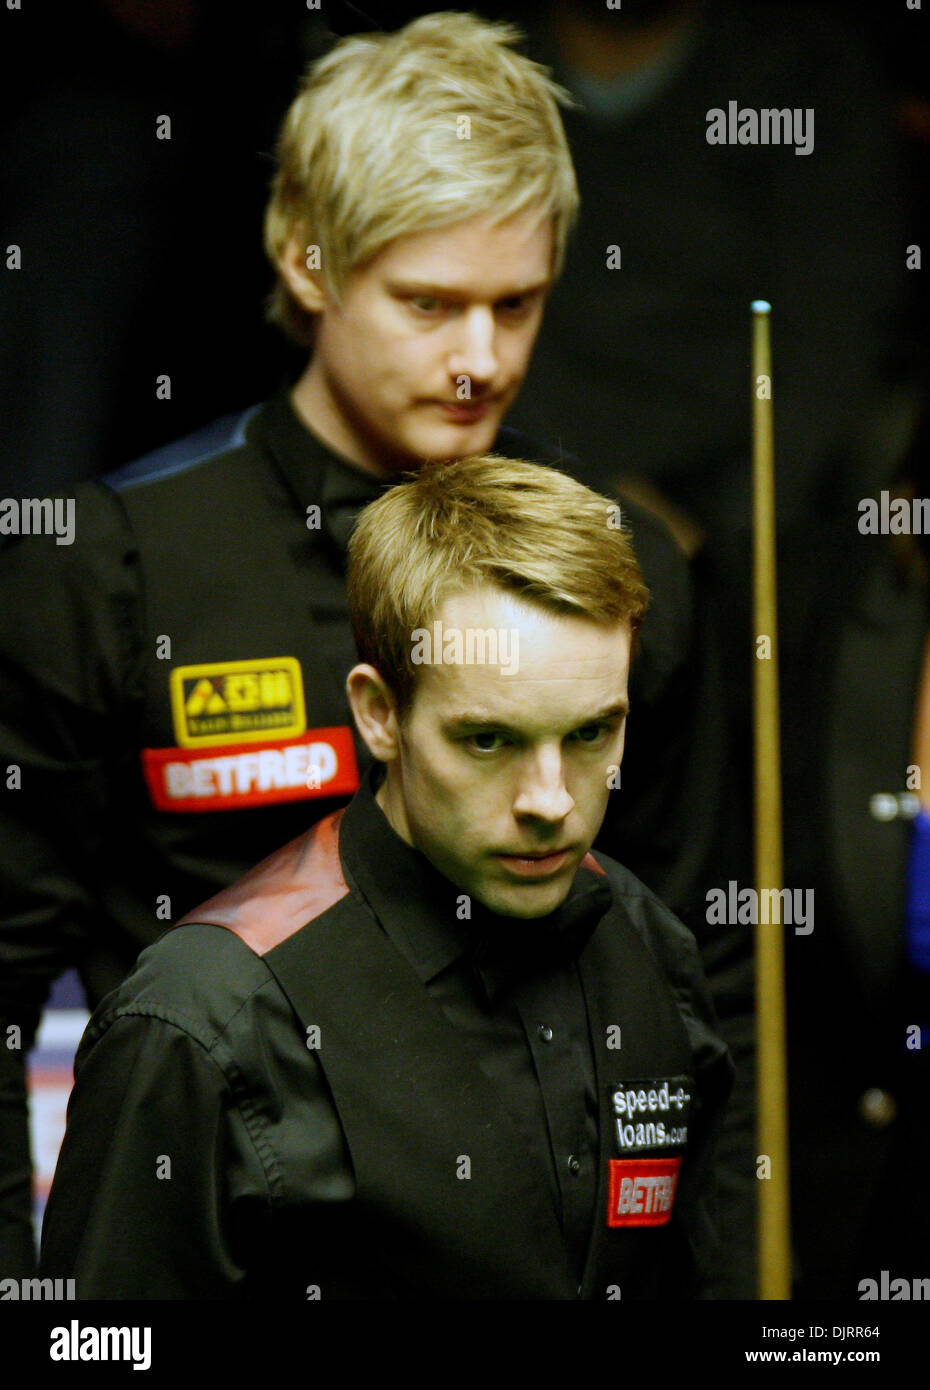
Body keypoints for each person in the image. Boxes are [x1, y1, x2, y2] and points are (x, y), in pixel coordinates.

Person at [0, 12, 720, 1281]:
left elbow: (700, 973)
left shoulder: (621, 574)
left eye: (518, 302)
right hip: (229, 1240)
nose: (479, 361)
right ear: (307, 260)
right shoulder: (108, 576)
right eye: (430, 304)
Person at [38, 453, 733, 1299]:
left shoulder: (649, 950)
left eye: (590, 734)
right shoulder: (204, 1024)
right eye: (488, 740)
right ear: (379, 714)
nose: (551, 801)